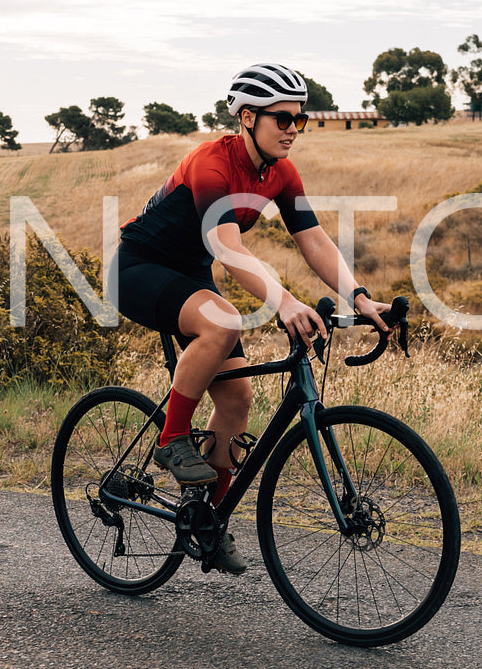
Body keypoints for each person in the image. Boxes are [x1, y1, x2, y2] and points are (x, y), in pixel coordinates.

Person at [114, 62, 392, 574]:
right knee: (223, 322)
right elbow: (226, 246)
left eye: (300, 119)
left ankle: (208, 520)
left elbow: (312, 238)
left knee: (238, 398)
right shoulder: (212, 165)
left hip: (189, 272)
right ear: (246, 117)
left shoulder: (279, 172)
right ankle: (171, 437)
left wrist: (361, 297)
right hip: (139, 268)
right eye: (281, 118)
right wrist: (284, 302)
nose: (292, 128)